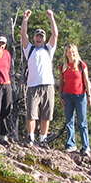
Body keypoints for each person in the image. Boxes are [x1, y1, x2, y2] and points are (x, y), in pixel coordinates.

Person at [21, 9, 58, 146]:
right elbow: (23, 34)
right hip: (32, 86)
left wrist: (51, 17)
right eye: (37, 36)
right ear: (34, 38)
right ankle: (31, 138)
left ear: (44, 38)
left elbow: (55, 34)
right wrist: (25, 19)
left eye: (41, 36)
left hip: (48, 84)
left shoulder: (48, 49)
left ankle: (43, 139)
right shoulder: (29, 49)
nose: (39, 38)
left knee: (46, 114)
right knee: (31, 114)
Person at [59, 44, 91, 156]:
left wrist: (89, 95)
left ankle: (85, 147)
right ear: (66, 53)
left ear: (76, 52)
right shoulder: (63, 66)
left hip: (80, 96)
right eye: (69, 52)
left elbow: (86, 80)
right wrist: (60, 96)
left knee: (82, 122)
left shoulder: (81, 65)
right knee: (69, 121)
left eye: (73, 52)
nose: (71, 54)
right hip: (67, 96)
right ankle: (71, 144)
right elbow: (61, 82)